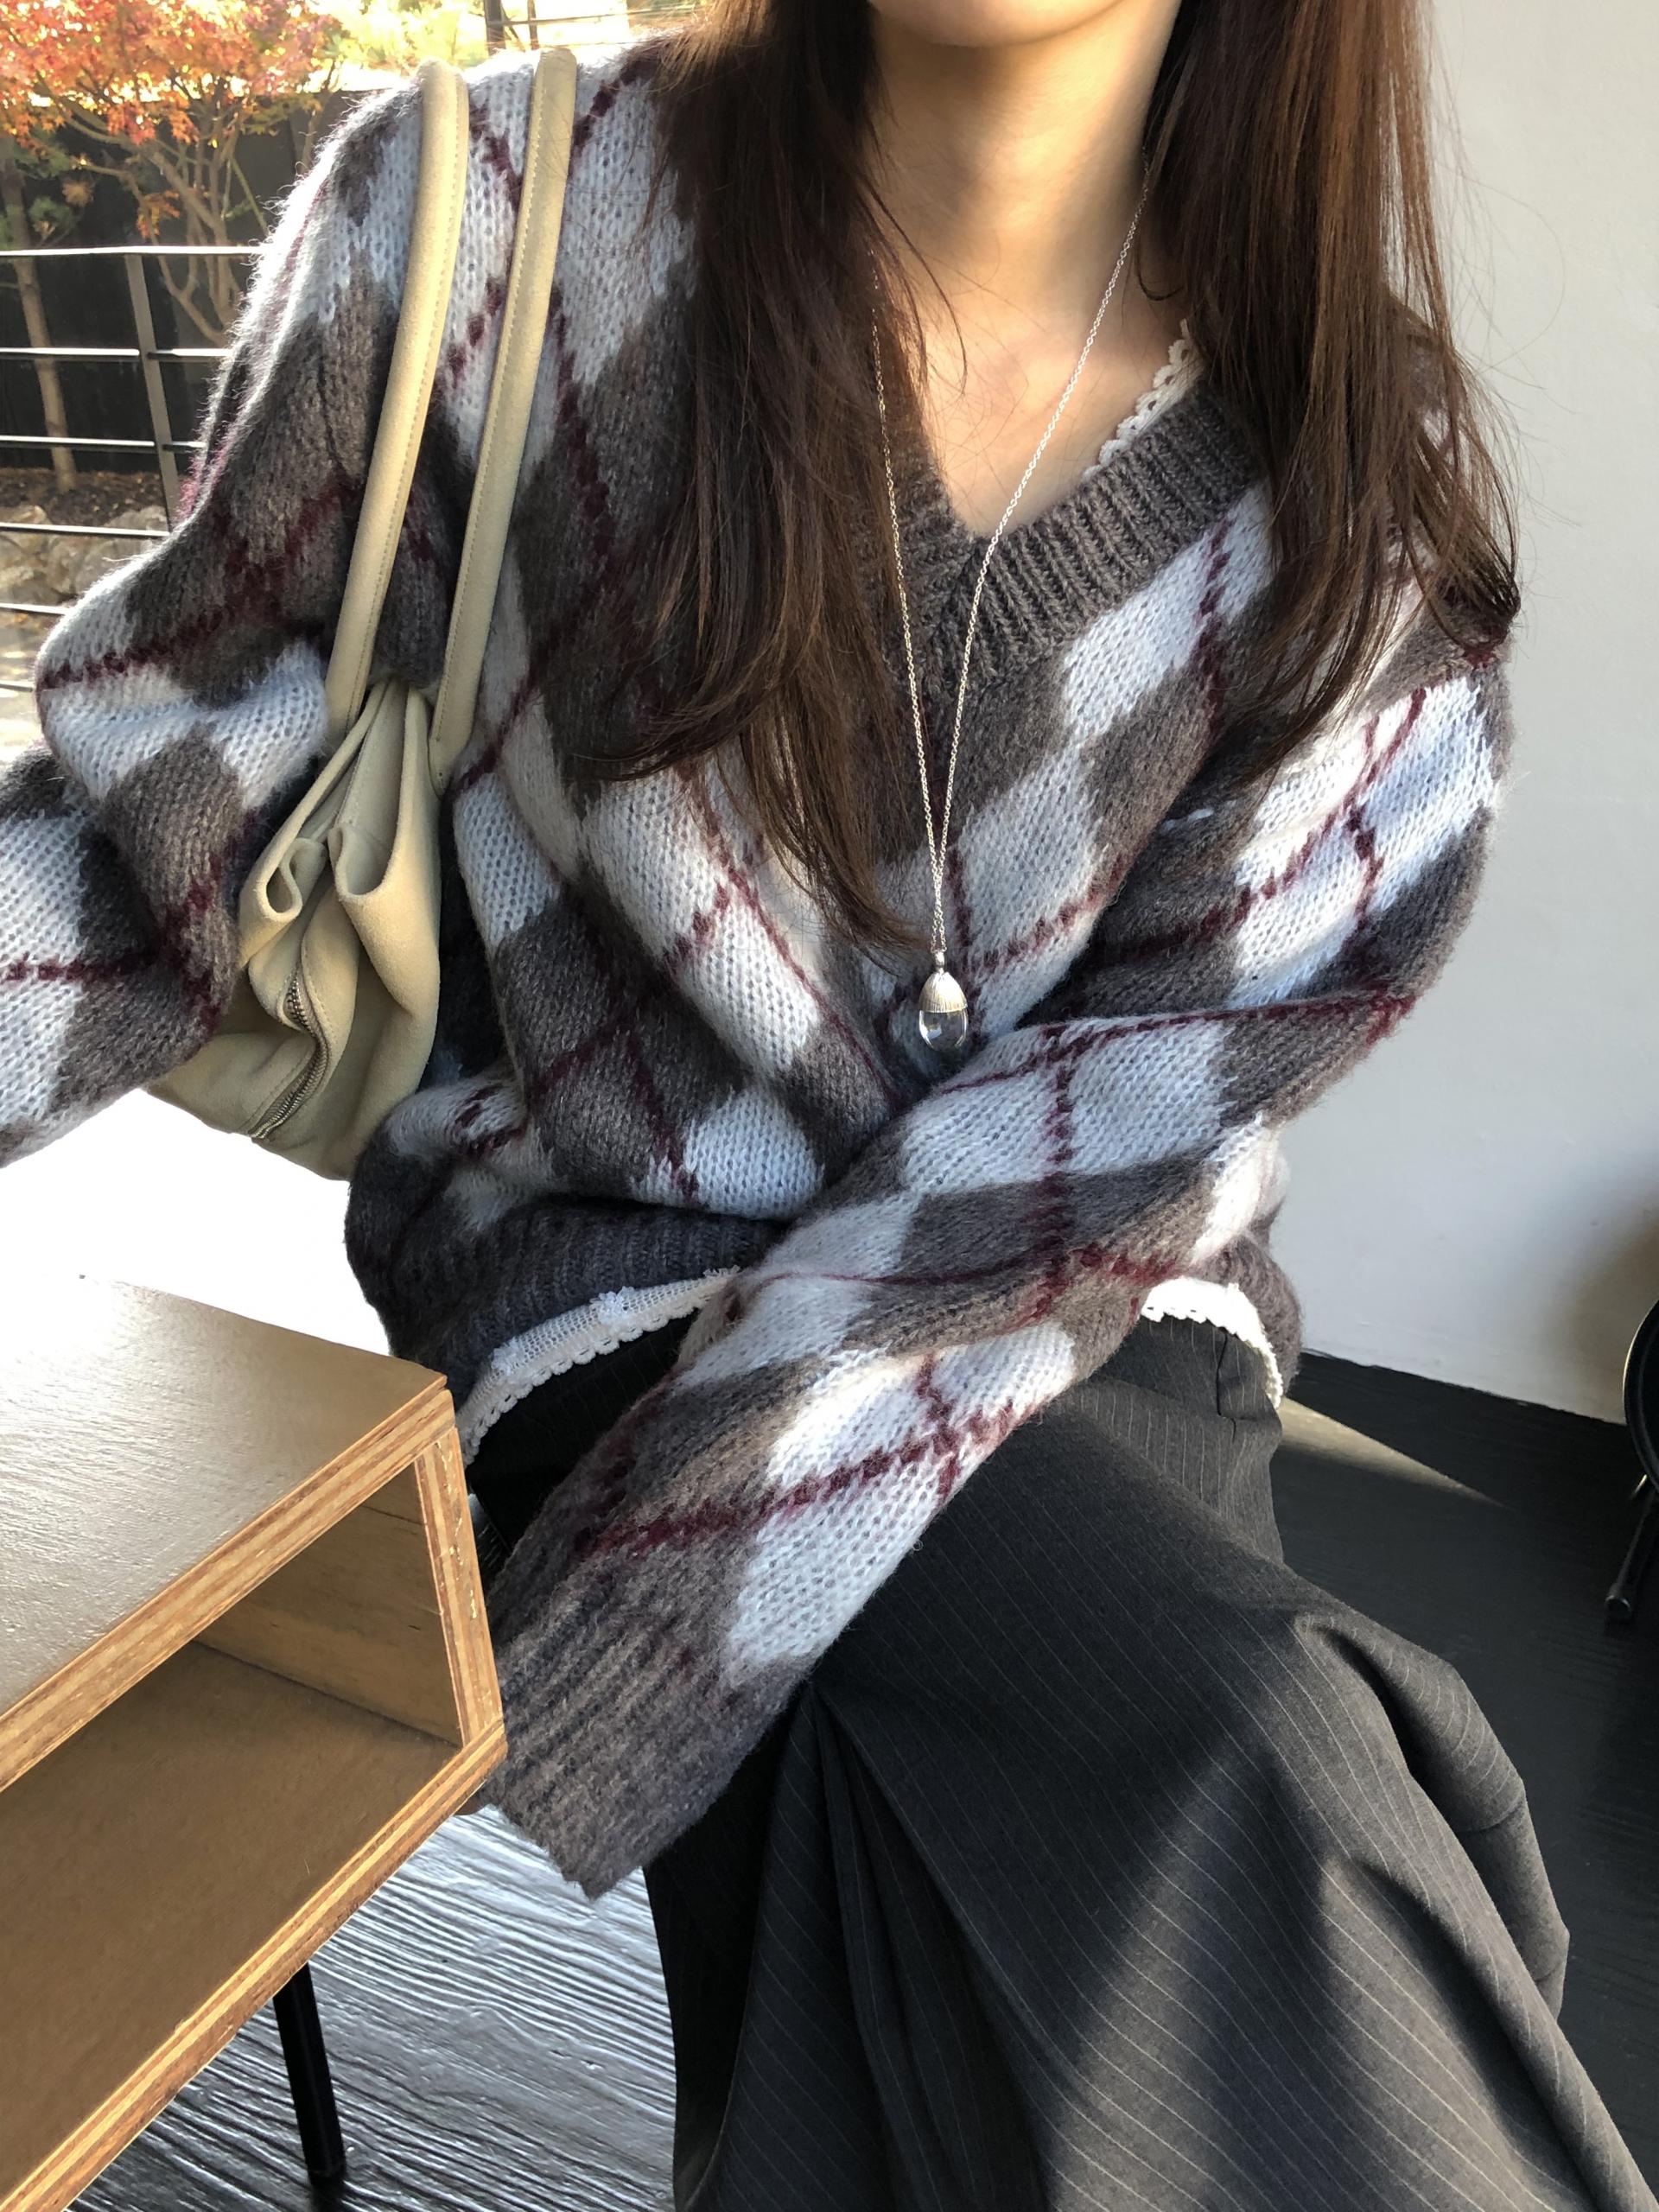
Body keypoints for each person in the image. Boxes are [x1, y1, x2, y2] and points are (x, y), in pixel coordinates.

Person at [1, 3, 1650, 2207]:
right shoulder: (486, 228)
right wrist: (729, 1569)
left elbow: (1167, 1087)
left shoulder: (1356, 458)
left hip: (1097, 1297)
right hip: (609, 1301)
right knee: (1240, 1787)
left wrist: (702, 1594)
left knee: (1069, 1879)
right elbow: (153, 828)